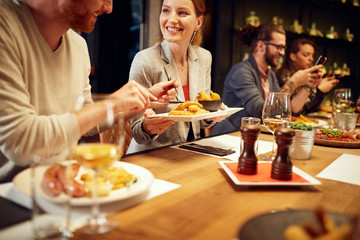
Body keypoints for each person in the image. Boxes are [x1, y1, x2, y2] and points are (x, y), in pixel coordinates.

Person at [0, 0, 178, 182]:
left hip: (66, 187)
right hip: (10, 197)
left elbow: (86, 123)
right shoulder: (5, 24)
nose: (109, 8)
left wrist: (136, 102)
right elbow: (20, 141)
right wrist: (112, 103)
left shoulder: (78, 46)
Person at [127, 0, 227, 154]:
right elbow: (137, 132)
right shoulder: (144, 60)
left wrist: (211, 116)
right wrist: (149, 127)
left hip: (192, 153)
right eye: (166, 10)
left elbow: (201, 119)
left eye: (182, 13)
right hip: (151, 156)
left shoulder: (204, 57)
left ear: (198, 22)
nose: (171, 19)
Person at [210, 23, 323, 136]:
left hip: (255, 137)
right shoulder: (241, 71)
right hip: (229, 137)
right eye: (279, 47)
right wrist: (293, 83)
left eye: (283, 48)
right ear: (261, 46)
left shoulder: (270, 75)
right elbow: (261, 111)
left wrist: (309, 85)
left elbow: (291, 109)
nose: (282, 53)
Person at [276, 38, 339, 115]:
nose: (311, 59)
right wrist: (319, 91)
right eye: (306, 55)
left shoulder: (306, 77)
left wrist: (317, 87)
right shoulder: (284, 76)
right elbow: (296, 111)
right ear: (293, 56)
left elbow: (311, 109)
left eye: (312, 55)